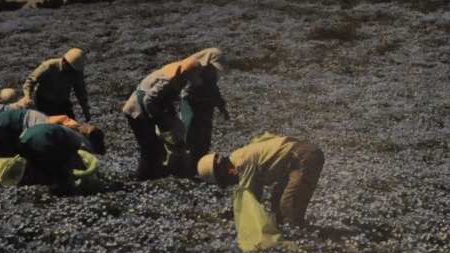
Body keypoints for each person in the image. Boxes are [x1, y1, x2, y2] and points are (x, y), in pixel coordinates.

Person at [122, 48, 227, 179]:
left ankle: (158, 171)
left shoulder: (181, 78)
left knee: (157, 144)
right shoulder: (170, 79)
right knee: (148, 146)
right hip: (137, 112)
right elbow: (148, 100)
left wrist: (171, 117)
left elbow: (165, 99)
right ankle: (141, 177)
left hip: (149, 111)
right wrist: (162, 121)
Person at [196, 134, 325, 229]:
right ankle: (286, 231)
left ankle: (300, 238)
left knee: (288, 205)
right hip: (296, 158)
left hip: (303, 157)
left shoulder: (242, 163)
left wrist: (240, 220)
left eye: (225, 182)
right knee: (276, 201)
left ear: (222, 172)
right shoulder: (235, 160)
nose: (230, 184)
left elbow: (250, 198)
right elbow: (255, 187)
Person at [18, 121, 101, 194]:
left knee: (34, 169)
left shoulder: (69, 129)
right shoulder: (84, 141)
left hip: (25, 136)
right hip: (46, 139)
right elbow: (87, 162)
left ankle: (30, 190)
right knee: (61, 174)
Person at [22, 47, 91, 121]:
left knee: (71, 125)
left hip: (62, 104)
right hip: (43, 103)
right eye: (70, 67)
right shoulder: (49, 66)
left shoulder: (76, 73)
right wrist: (27, 97)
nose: (70, 70)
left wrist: (85, 110)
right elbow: (30, 82)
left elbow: (81, 92)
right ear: (65, 62)